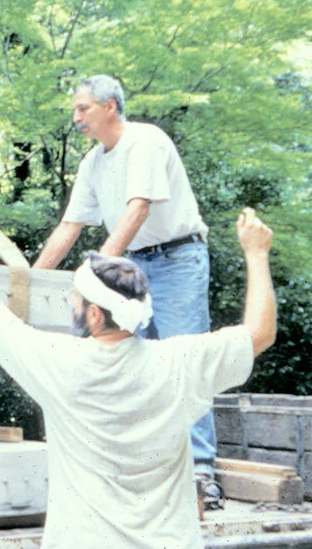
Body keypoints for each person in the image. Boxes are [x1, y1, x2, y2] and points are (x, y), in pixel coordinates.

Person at [0, 208, 276, 548]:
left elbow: (3, 325)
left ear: (94, 314)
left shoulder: (59, 361)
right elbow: (261, 333)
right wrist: (257, 254)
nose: (70, 301)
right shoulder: (178, 362)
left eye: (76, 297)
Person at [32, 74, 221, 505]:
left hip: (177, 259)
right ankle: (150, 469)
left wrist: (99, 271)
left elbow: (138, 209)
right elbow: (69, 226)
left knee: (184, 357)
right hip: (134, 262)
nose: (76, 117)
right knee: (131, 363)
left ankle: (201, 471)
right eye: (75, 110)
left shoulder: (145, 141)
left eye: (83, 108)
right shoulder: (92, 163)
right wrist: (29, 281)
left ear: (110, 107)